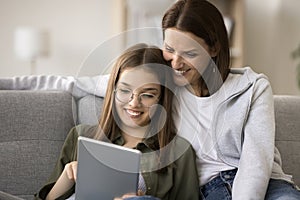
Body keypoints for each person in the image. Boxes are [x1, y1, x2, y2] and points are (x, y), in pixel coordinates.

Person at [160, 0, 300, 200]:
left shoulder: (252, 87)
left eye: (189, 54)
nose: (176, 63)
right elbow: (120, 81)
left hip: (269, 186)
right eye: (169, 49)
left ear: (214, 48)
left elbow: (256, 161)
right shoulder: (162, 86)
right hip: (211, 191)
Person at [34, 43, 200, 200]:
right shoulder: (81, 136)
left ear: (162, 98)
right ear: (113, 91)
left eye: (148, 95)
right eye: (125, 90)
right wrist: (67, 178)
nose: (134, 103)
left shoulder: (179, 152)